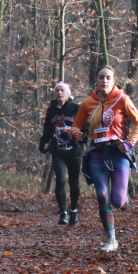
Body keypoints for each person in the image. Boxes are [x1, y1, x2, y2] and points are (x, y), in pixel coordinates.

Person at [71, 65, 138, 252]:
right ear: (96, 80)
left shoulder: (122, 99)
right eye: (101, 77)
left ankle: (124, 197)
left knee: (117, 201)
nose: (104, 81)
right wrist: (77, 135)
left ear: (113, 80)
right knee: (101, 195)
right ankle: (111, 240)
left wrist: (129, 143)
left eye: (108, 78)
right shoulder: (88, 103)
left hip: (118, 151)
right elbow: (75, 126)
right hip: (96, 152)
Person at [39, 82, 82, 226]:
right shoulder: (51, 110)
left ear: (68, 93)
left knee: (74, 182)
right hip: (57, 150)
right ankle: (63, 212)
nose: (59, 93)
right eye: (57, 91)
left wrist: (72, 135)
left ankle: (74, 211)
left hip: (74, 150)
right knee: (61, 180)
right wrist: (43, 142)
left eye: (62, 91)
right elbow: (47, 128)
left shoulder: (76, 108)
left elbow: (85, 128)